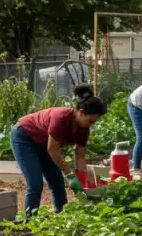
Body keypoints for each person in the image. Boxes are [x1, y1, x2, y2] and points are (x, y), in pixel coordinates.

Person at [12, 85, 106, 214]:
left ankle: (62, 215)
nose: (91, 125)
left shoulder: (84, 128)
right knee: (35, 184)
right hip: (24, 137)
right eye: (90, 121)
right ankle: (30, 221)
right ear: (81, 112)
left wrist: (80, 178)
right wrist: (69, 175)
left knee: (57, 181)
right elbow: (52, 149)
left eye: (94, 122)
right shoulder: (61, 118)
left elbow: (80, 155)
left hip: (44, 143)